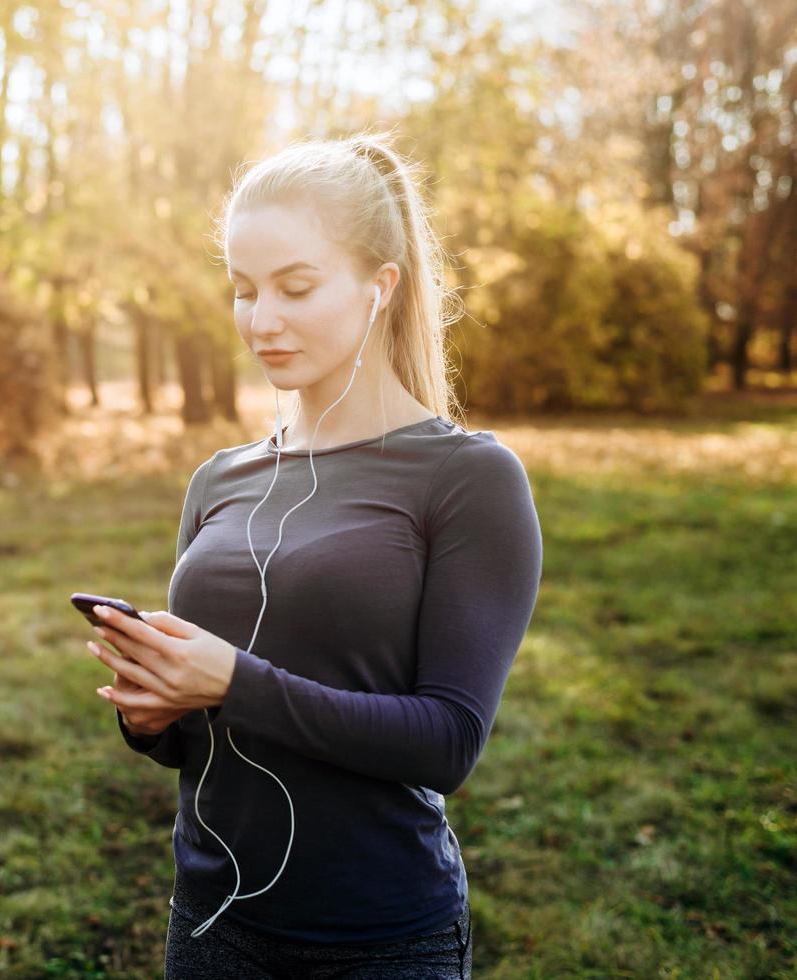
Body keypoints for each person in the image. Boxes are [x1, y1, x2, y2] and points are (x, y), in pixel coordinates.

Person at [83, 132, 543, 978]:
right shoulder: (218, 479)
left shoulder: (467, 478)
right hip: (213, 922)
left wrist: (231, 680)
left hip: (381, 940)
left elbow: (447, 740)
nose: (263, 320)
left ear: (381, 287)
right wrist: (151, 717)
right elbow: (207, 739)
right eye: (244, 291)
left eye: (296, 287)